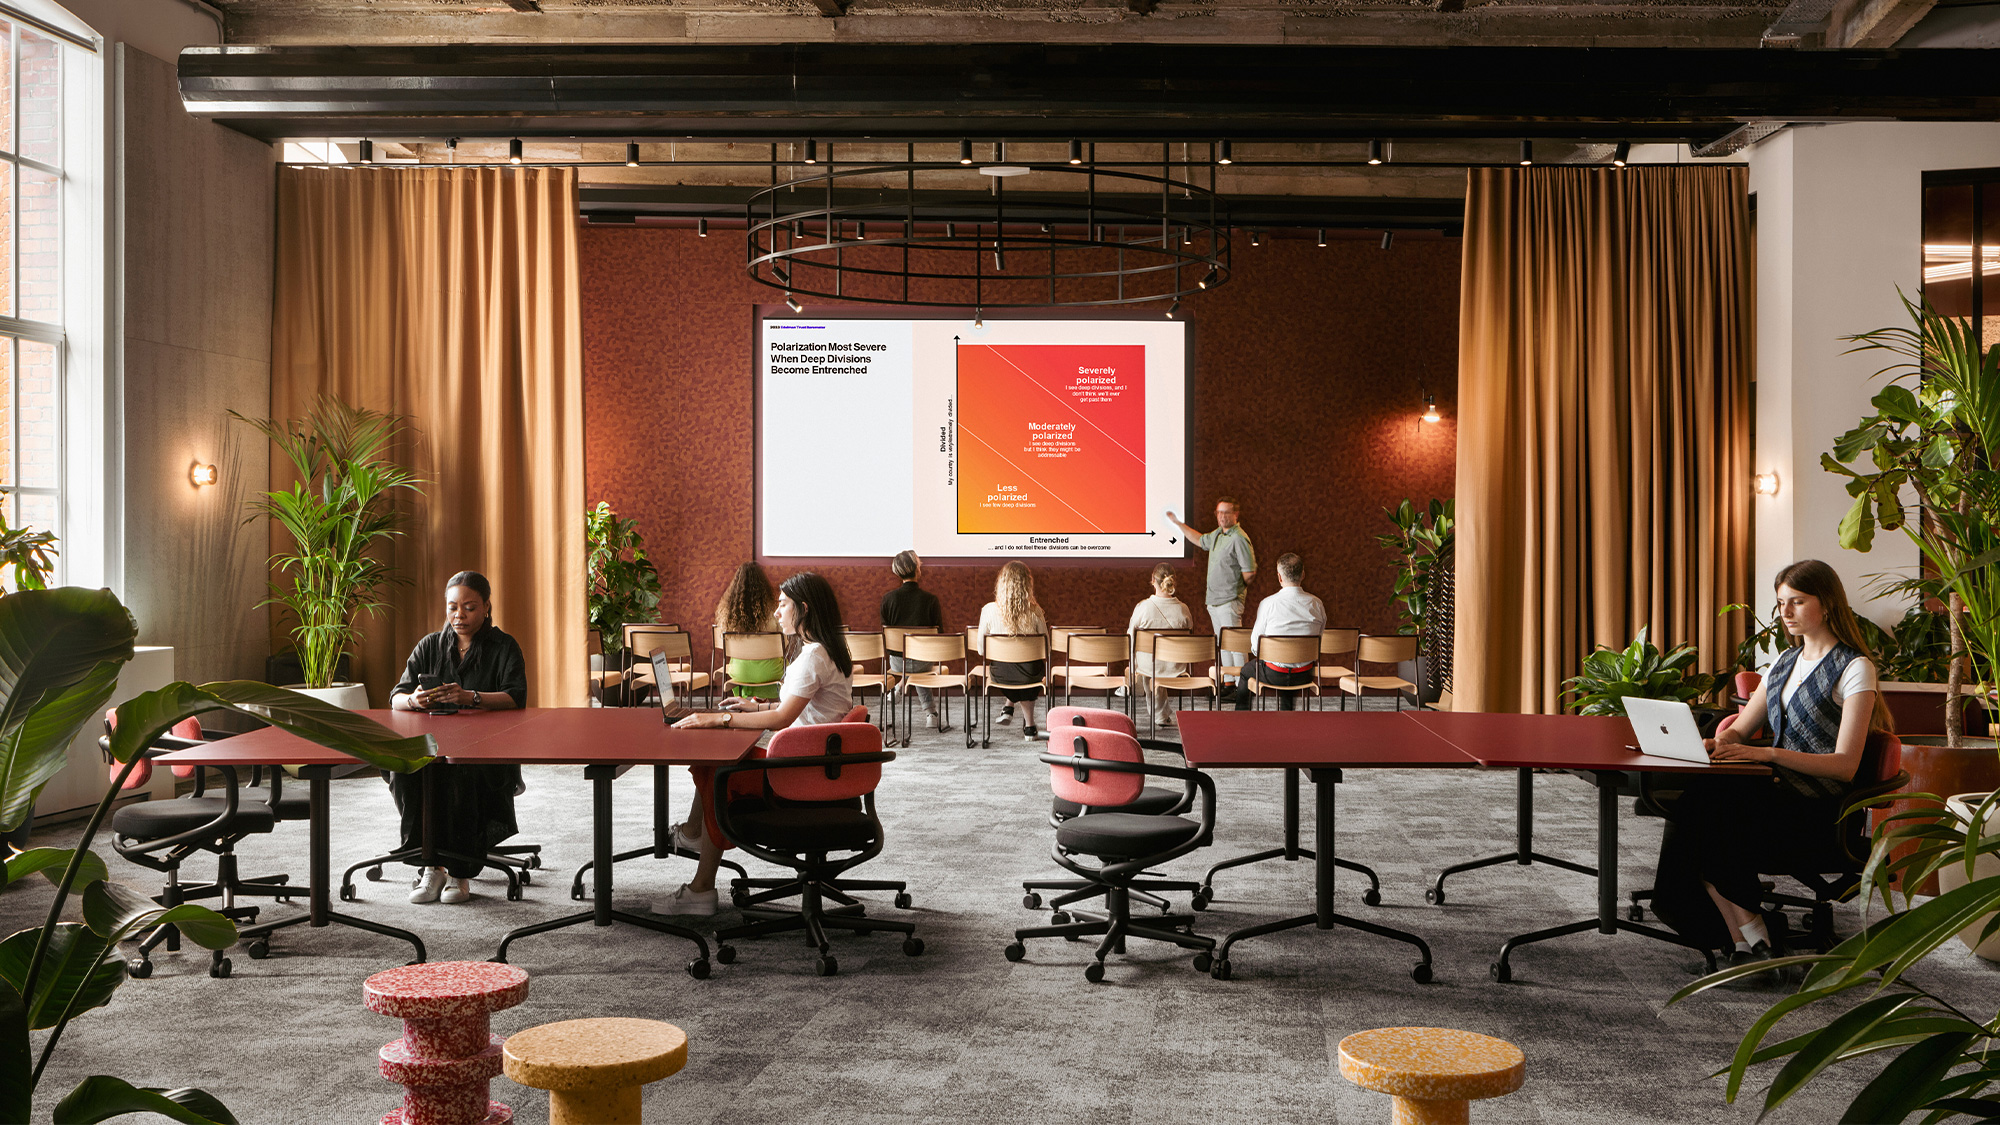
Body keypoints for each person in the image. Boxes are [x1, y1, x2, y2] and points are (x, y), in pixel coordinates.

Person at [1649, 559, 1894, 964]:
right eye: (1781, 603)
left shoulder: (1854, 668)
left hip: (1820, 811)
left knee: (1703, 816)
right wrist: (1719, 743)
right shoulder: (1784, 662)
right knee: (1698, 805)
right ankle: (1750, 940)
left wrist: (1766, 753)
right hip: (1777, 795)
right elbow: (1740, 730)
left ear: (1828, 604)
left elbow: (1845, 765)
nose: (1786, 612)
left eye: (1797, 601)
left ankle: (1747, 937)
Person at [656, 571, 855, 915]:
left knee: (719, 770)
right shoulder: (828, 651)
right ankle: (695, 836)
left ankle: (701, 887)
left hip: (799, 775)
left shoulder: (813, 657)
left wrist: (719, 718)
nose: (777, 612)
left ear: (804, 609)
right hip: (820, 764)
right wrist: (758, 706)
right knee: (716, 761)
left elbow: (782, 720)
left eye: (783, 605)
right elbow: (803, 708)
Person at [389, 570, 527, 905]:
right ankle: (431, 865)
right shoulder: (430, 645)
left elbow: (515, 697)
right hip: (432, 745)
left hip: (485, 749)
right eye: (452, 607)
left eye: (469, 607)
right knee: (405, 771)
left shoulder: (504, 646)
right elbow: (396, 697)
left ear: (486, 607)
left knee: (460, 775)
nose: (459, 615)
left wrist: (470, 697)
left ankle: (459, 871)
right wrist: (414, 701)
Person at [1167, 497, 1257, 684]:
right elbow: (1199, 540)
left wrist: (1235, 589)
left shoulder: (1239, 538)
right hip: (1214, 601)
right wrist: (1177, 523)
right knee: (1223, 644)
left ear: (1236, 514)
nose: (1222, 516)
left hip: (1229, 600)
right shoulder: (1218, 534)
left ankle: (1242, 686)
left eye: (1226, 512)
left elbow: (1249, 573)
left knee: (1235, 646)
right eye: (1219, 512)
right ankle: (1229, 683)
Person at [1234, 552, 1324, 711]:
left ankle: (1241, 718)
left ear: (1279, 577)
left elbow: (1255, 645)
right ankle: (1286, 716)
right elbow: (1319, 639)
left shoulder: (1268, 604)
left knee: (1245, 671)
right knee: (1290, 662)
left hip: (1274, 674)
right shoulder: (1317, 604)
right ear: (1303, 575)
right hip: (1304, 674)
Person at [974, 560, 1050, 738]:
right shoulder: (1035, 611)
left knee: (1013, 670)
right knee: (1026, 671)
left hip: (1001, 675)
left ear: (1001, 583)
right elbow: (1046, 649)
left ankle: (1009, 707)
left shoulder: (989, 610)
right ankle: (1029, 726)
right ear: (1027, 585)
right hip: (1030, 675)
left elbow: (981, 650)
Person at [880, 549, 944, 727]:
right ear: (917, 570)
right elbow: (939, 636)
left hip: (897, 663)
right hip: (924, 661)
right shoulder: (930, 600)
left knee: (909, 665)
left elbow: (886, 637)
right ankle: (931, 713)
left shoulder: (887, 599)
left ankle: (900, 687)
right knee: (917, 666)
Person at [1127, 562, 1193, 727]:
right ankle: (1161, 715)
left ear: (1152, 580)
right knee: (1155, 662)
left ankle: (1158, 713)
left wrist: (1132, 662)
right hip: (1176, 665)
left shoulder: (1143, 608)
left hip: (1148, 665)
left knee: (1147, 661)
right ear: (1173, 581)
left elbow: (1130, 638)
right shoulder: (1183, 609)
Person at [716, 561, 782, 700]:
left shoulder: (728, 618)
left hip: (740, 673)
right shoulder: (774, 614)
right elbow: (784, 645)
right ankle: (769, 701)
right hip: (771, 672)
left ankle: (752, 699)